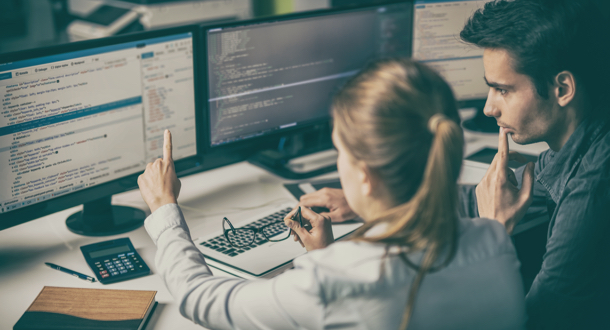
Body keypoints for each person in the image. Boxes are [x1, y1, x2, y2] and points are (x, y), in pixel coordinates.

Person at [137, 58, 526, 330]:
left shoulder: (332, 281)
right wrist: (325, 257)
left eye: (340, 151)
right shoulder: (494, 237)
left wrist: (164, 207)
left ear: (366, 177)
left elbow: (200, 300)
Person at [301, 1, 610, 329]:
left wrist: (494, 234)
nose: (490, 108)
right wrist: (370, 199)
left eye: (502, 90)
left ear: (562, 89)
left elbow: (533, 321)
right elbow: (485, 196)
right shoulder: (578, 146)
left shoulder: (592, 190)